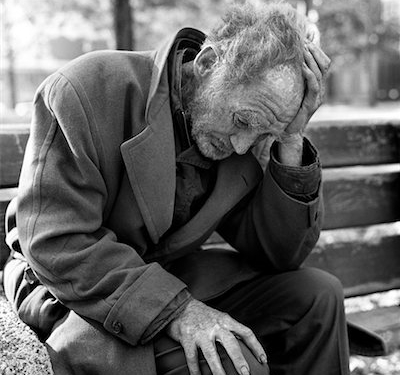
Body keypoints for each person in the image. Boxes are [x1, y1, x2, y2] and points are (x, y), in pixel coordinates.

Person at [3, 2, 350, 374]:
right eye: (242, 121)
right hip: (73, 288)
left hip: (167, 274)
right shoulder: (86, 86)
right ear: (206, 65)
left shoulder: (249, 127)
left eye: (263, 132)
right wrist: (178, 309)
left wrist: (290, 137)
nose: (242, 147)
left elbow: (280, 255)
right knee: (231, 364)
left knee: (318, 297)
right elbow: (57, 243)